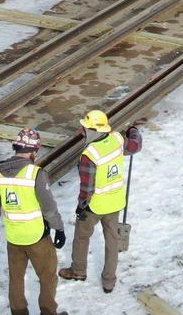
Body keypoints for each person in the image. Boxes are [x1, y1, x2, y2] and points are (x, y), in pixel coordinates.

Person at [0, 129, 68, 315]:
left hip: (13, 237)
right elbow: (48, 208)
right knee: (47, 277)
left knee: (16, 278)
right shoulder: (35, 173)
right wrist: (59, 229)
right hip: (37, 236)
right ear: (34, 151)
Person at [59, 110, 142, 295]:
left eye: (85, 128)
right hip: (115, 201)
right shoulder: (118, 140)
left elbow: (87, 188)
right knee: (112, 241)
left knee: (81, 237)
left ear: (92, 131)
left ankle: (78, 271)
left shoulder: (90, 155)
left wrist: (81, 206)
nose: (81, 131)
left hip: (95, 206)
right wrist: (134, 130)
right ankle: (109, 281)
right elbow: (135, 146)